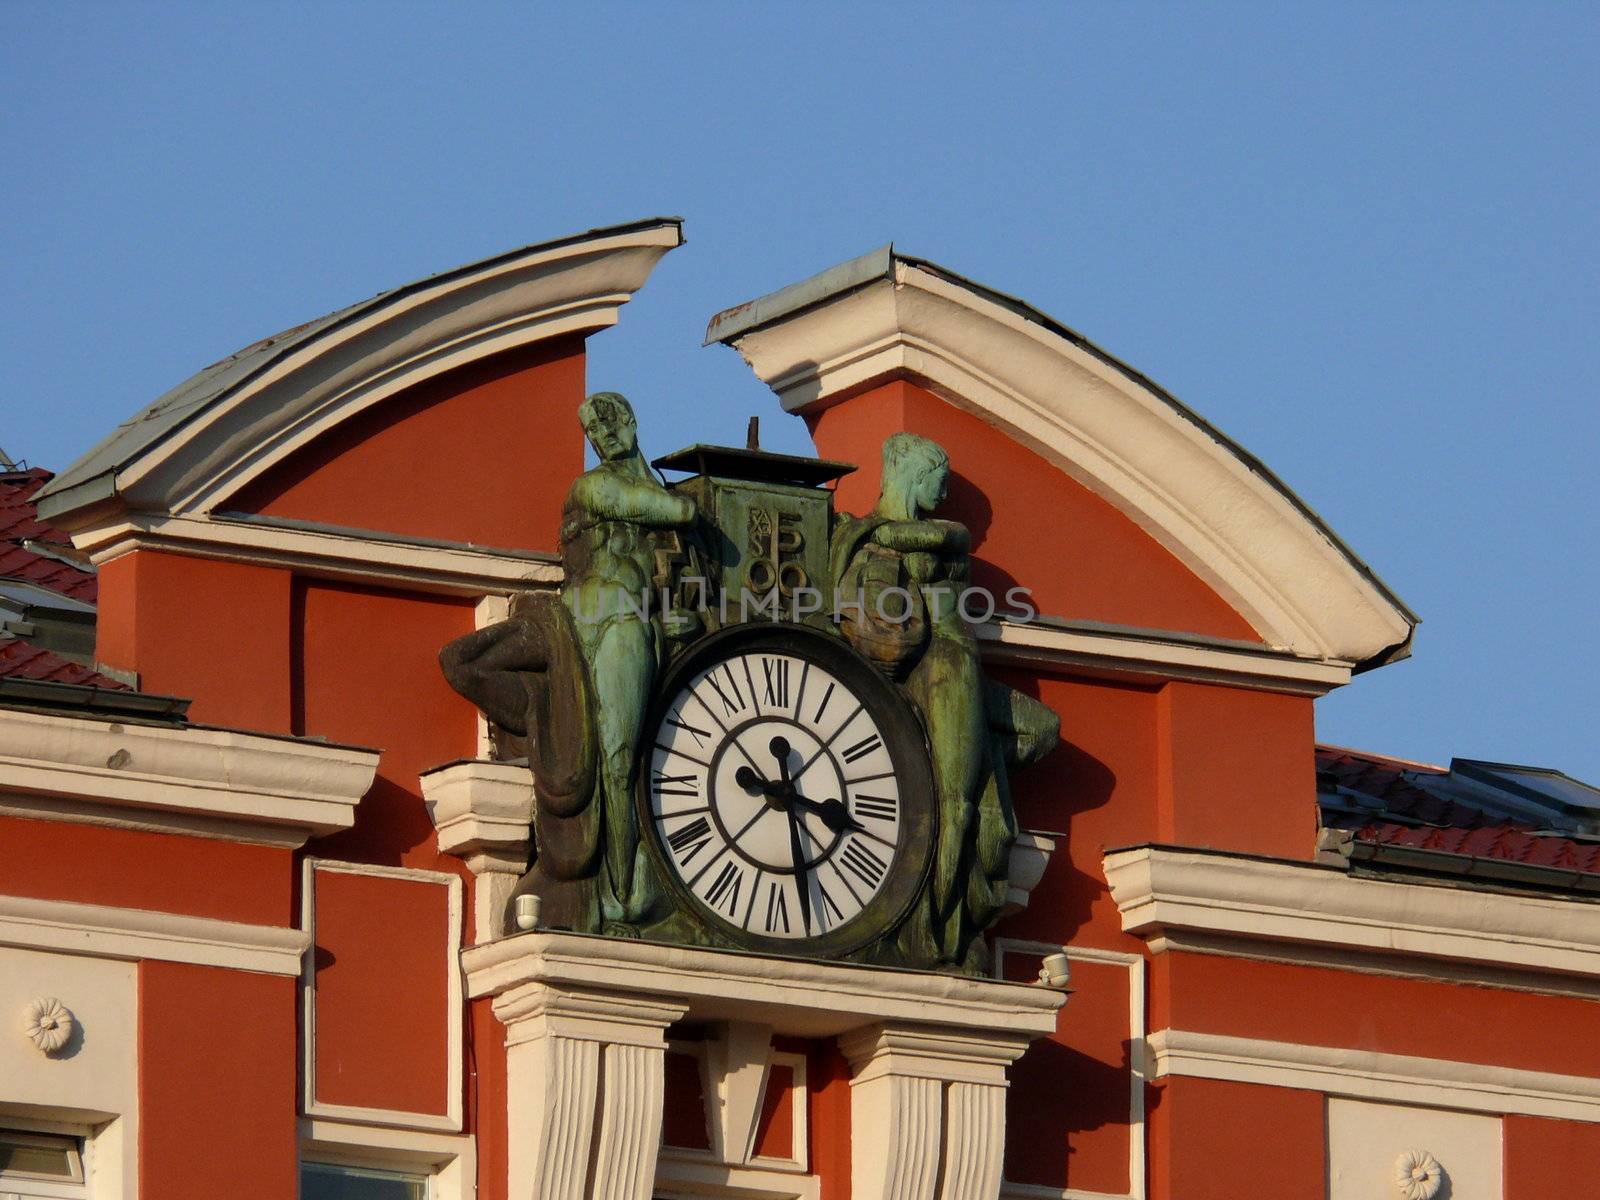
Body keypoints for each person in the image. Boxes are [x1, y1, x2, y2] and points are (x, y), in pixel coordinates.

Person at [440, 392, 696, 934]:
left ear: (630, 420)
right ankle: (544, 717)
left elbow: (675, 516)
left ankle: (623, 890)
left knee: (620, 760)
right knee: (461, 660)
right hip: (571, 621)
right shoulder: (595, 487)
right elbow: (678, 510)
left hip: (622, 624)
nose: (602, 435)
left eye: (610, 422)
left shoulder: (633, 483)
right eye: (592, 430)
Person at [833, 432, 1057, 970]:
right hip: (942, 666)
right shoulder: (867, 537)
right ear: (912, 472)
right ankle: (936, 927)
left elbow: (950, 537)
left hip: (968, 674)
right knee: (953, 804)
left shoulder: (925, 534)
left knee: (1041, 728)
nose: (944, 486)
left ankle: (966, 767)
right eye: (938, 475)